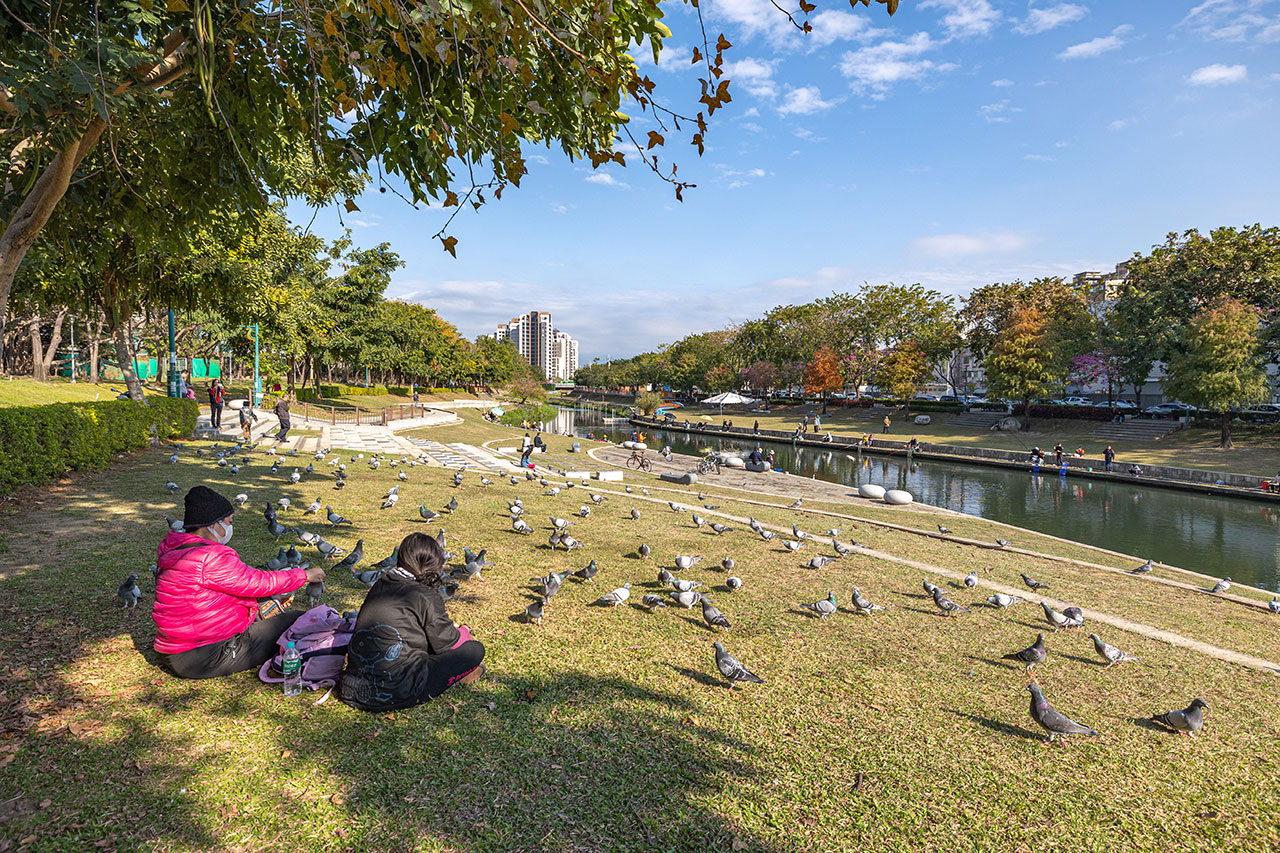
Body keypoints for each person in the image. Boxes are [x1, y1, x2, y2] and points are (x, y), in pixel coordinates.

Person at [152, 486, 322, 679]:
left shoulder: (176, 549)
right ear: (213, 525)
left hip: (171, 649)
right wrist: (304, 575)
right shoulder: (209, 556)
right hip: (201, 657)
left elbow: (227, 588)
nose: (231, 527)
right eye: (229, 522)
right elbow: (257, 582)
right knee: (297, 620)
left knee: (265, 605)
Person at [339, 533, 485, 712]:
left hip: (351, 688)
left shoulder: (380, 584)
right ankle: (463, 673)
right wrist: (464, 630)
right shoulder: (425, 595)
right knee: (475, 650)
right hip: (398, 692)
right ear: (431, 565)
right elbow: (449, 643)